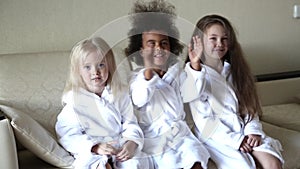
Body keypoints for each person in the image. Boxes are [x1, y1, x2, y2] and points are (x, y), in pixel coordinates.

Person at [183, 14, 284, 169]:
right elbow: (200, 114)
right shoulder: (193, 75)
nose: (219, 44)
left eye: (224, 39)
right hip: (216, 136)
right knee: (245, 166)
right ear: (199, 41)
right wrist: (236, 140)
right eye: (213, 38)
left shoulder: (235, 71)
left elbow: (249, 107)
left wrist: (253, 131)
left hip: (243, 129)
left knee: (273, 162)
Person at [124, 0, 210, 168]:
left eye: (164, 43)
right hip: (155, 138)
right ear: (140, 50)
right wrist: (149, 69)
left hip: (181, 134)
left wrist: (195, 64)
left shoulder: (177, 72)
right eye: (151, 43)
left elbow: (190, 94)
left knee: (196, 156)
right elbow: (139, 99)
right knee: (170, 162)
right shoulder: (136, 78)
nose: (159, 48)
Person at [55, 37, 150, 169]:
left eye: (101, 65)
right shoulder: (74, 101)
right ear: (78, 71)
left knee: (135, 162)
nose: (95, 72)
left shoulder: (120, 93)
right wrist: (94, 147)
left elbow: (130, 123)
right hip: (94, 150)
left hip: (119, 146)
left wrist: (131, 143)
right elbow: (67, 133)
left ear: (110, 66)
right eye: (87, 67)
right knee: (95, 165)